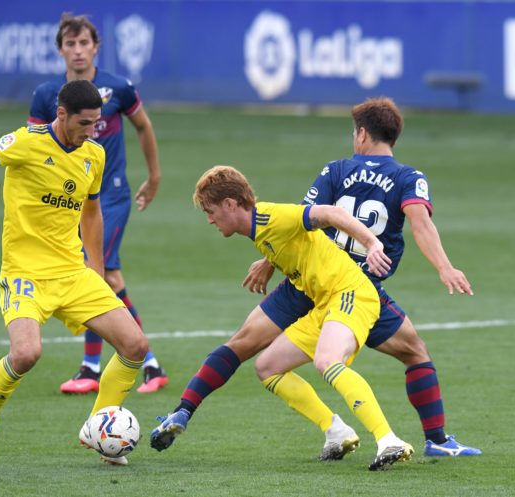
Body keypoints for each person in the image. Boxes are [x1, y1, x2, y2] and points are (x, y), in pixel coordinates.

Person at [150, 97, 480, 459]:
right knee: (415, 353)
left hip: (325, 284)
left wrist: (268, 262)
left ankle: (188, 408)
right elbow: (418, 223)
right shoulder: (408, 178)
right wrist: (444, 267)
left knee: (244, 344)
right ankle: (435, 438)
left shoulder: (335, 171)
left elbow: (306, 216)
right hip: (351, 280)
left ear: (362, 134)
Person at [0, 80, 148, 470]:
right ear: (62, 115)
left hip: (72, 271)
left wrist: (96, 269)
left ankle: (98, 428)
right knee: (27, 353)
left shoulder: (94, 155)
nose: (91, 131)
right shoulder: (26, 142)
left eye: (96, 124)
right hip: (25, 273)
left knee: (134, 345)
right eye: (85, 124)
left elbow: (91, 212)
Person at [154, 165, 413, 470]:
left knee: (327, 361)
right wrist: (269, 261)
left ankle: (388, 439)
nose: (210, 219)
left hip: (350, 292)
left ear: (230, 204)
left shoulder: (271, 217)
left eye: (210, 211)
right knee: (268, 367)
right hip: (323, 302)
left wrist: (372, 244)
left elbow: (330, 213)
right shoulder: (260, 232)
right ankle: (336, 431)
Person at [28, 13, 167, 394]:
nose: (77, 51)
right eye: (70, 44)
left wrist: (153, 176)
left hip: (112, 196)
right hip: (72, 200)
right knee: (113, 280)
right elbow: (34, 149)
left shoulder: (117, 88)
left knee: (94, 272)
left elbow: (144, 126)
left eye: (84, 43)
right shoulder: (46, 96)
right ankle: (151, 364)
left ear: (96, 46)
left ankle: (90, 369)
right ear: (60, 49)